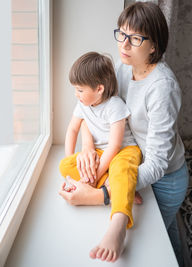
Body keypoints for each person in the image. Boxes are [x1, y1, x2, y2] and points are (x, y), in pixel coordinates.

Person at [59, 2, 189, 266]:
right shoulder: (122, 67)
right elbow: (94, 108)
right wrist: (86, 145)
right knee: (171, 235)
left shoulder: (162, 89)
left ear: (154, 46)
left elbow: (157, 164)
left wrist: (102, 194)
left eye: (135, 38)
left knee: (155, 248)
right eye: (122, 33)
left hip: (164, 178)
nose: (124, 45)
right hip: (133, 162)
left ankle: (119, 228)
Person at [59, 51, 142, 262]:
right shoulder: (83, 104)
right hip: (100, 152)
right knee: (65, 165)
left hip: (124, 151)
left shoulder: (115, 106)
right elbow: (72, 131)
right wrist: (73, 165)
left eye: (80, 90)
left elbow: (114, 145)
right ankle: (121, 190)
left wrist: (95, 174)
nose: (76, 94)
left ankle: (118, 226)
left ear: (99, 89)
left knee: (121, 170)